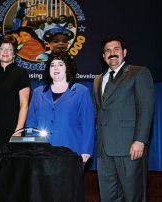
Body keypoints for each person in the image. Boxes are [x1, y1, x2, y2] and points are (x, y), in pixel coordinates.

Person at [92, 35, 154, 202]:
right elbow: (99, 112)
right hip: (104, 150)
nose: (112, 53)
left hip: (129, 148)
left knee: (133, 196)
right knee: (108, 197)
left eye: (116, 49)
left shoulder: (138, 73)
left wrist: (140, 140)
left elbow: (146, 109)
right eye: (108, 51)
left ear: (124, 52)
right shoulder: (98, 80)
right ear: (103, 56)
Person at [26, 51, 95, 163]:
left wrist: (86, 150)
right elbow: (31, 123)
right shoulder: (38, 93)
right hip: (42, 154)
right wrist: (32, 147)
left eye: (60, 64)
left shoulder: (82, 92)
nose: (56, 68)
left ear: (67, 68)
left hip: (72, 153)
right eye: (52, 65)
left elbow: (88, 124)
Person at [0, 34, 31, 152]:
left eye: (10, 49)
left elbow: (24, 105)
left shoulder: (21, 74)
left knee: (12, 168)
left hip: (13, 130)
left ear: (14, 53)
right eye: (2, 48)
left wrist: (18, 131)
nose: (5, 52)